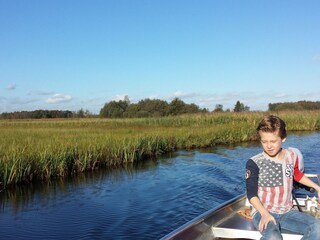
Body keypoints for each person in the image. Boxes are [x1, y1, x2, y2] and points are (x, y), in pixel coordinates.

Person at [245, 115, 320, 239]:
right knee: (274, 237)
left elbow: (296, 174)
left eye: (273, 141)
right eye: (264, 141)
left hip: (287, 212)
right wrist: (264, 214)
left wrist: (317, 188)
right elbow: (251, 194)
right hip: (262, 211)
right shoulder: (254, 162)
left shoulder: (291, 156)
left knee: (317, 227)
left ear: (283, 138)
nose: (268, 146)